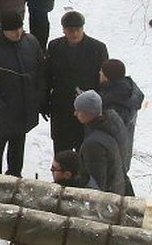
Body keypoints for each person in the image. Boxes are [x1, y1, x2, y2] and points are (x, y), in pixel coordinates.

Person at [0, 9, 45, 177]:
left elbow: (40, 70)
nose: (18, 32)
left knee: (18, 142)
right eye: (13, 30)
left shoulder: (30, 42)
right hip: (4, 109)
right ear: (4, 30)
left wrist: (37, 97)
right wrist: (0, 105)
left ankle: (15, 174)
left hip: (25, 105)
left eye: (20, 28)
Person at [74, 89, 129, 245]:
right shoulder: (109, 125)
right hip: (118, 187)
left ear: (88, 113)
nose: (75, 114)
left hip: (106, 196)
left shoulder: (93, 144)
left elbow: (97, 180)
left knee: (98, 237)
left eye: (78, 110)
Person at [43, 10, 108, 152]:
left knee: (84, 151)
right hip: (61, 107)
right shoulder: (54, 46)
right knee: (61, 150)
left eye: (78, 30)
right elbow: (47, 75)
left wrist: (100, 107)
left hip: (87, 109)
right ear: (64, 30)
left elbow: (103, 81)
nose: (74, 34)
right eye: (70, 30)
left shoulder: (97, 48)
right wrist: (44, 101)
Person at [98, 58, 144, 170]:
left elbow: (114, 126)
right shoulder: (124, 92)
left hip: (113, 154)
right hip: (119, 151)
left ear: (107, 76)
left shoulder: (118, 100)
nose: (99, 73)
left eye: (102, 72)